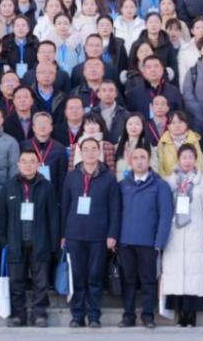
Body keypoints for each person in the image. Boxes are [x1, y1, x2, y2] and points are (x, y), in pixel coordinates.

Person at [60, 137, 120, 328]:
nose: (90, 153)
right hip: (74, 234)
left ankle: (94, 315)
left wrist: (112, 234)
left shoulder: (109, 177)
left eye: (94, 149)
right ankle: (77, 316)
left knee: (94, 277)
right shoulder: (71, 176)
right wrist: (63, 234)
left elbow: (114, 208)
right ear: (80, 152)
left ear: (99, 152)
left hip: (99, 235)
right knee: (77, 277)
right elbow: (65, 206)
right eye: (86, 149)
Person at [0, 149, 59, 328]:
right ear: (18, 164)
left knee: (41, 282)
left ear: (38, 164)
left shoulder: (47, 186)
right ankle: (18, 315)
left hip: (40, 241)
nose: (28, 165)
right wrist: (4, 241)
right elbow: (2, 216)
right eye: (24, 161)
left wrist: (53, 243)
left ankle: (39, 314)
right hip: (15, 242)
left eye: (32, 161)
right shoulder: (9, 186)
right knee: (16, 281)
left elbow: (53, 217)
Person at [116, 146, 173, 328]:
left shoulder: (160, 185)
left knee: (148, 280)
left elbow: (165, 215)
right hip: (126, 241)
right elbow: (116, 213)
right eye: (136, 158)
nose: (139, 161)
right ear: (130, 161)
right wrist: (115, 238)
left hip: (149, 242)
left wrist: (160, 241)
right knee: (128, 280)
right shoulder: (122, 185)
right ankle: (128, 315)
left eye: (143, 157)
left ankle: (148, 315)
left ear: (149, 161)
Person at [160, 144, 203, 327]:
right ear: (178, 159)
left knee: (194, 273)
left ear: (195, 160)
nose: (187, 161)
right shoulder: (169, 182)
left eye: (191, 157)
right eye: (184, 157)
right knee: (176, 274)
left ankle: (191, 314)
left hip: (196, 232)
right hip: (174, 234)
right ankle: (180, 314)